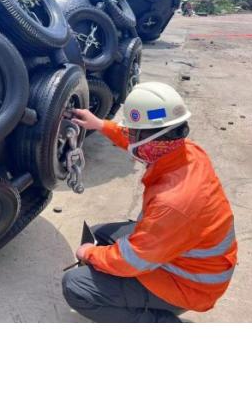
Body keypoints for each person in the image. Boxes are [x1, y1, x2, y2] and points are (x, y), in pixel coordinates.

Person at [62, 82, 237, 322]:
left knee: (76, 286)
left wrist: (90, 254)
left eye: (134, 132)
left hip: (190, 282)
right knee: (99, 235)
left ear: (150, 139)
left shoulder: (173, 201)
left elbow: (132, 261)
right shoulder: (184, 150)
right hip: (181, 248)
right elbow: (138, 139)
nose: (129, 136)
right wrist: (100, 124)